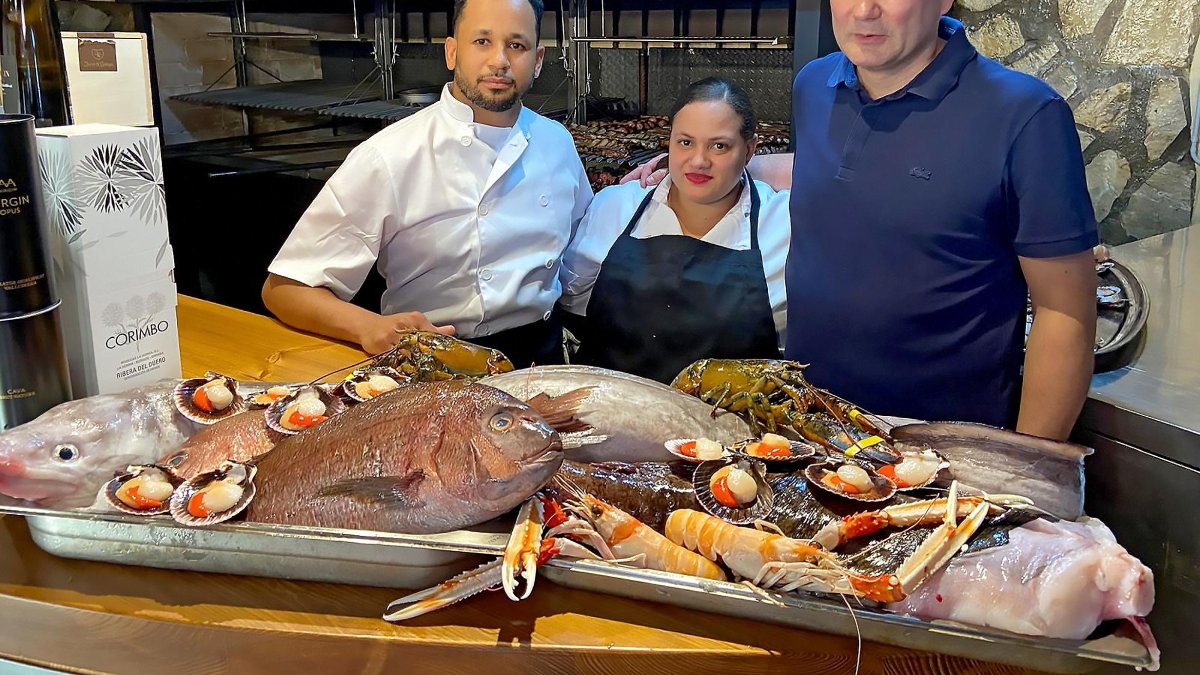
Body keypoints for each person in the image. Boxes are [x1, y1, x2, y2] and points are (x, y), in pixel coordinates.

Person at [626, 1, 1097, 440]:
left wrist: (1032, 473)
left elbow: (1065, 312)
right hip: (810, 428)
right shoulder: (814, 85)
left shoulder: (1026, 115)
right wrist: (717, 164)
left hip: (941, 447)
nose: (865, 10)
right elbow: (842, 167)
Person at [261, 0, 592, 367]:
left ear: (539, 59)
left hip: (540, 360)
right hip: (432, 362)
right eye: (482, 41)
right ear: (452, 52)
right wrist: (367, 326)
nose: (499, 60)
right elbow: (285, 290)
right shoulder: (389, 155)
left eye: (517, 45)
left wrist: (656, 186)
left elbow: (583, 247)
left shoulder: (556, 142)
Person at [559, 78, 791, 384]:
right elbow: (571, 304)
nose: (698, 161)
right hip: (614, 416)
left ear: (749, 150)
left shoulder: (784, 223)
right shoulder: (615, 208)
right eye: (685, 142)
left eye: (719, 146)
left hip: (732, 424)